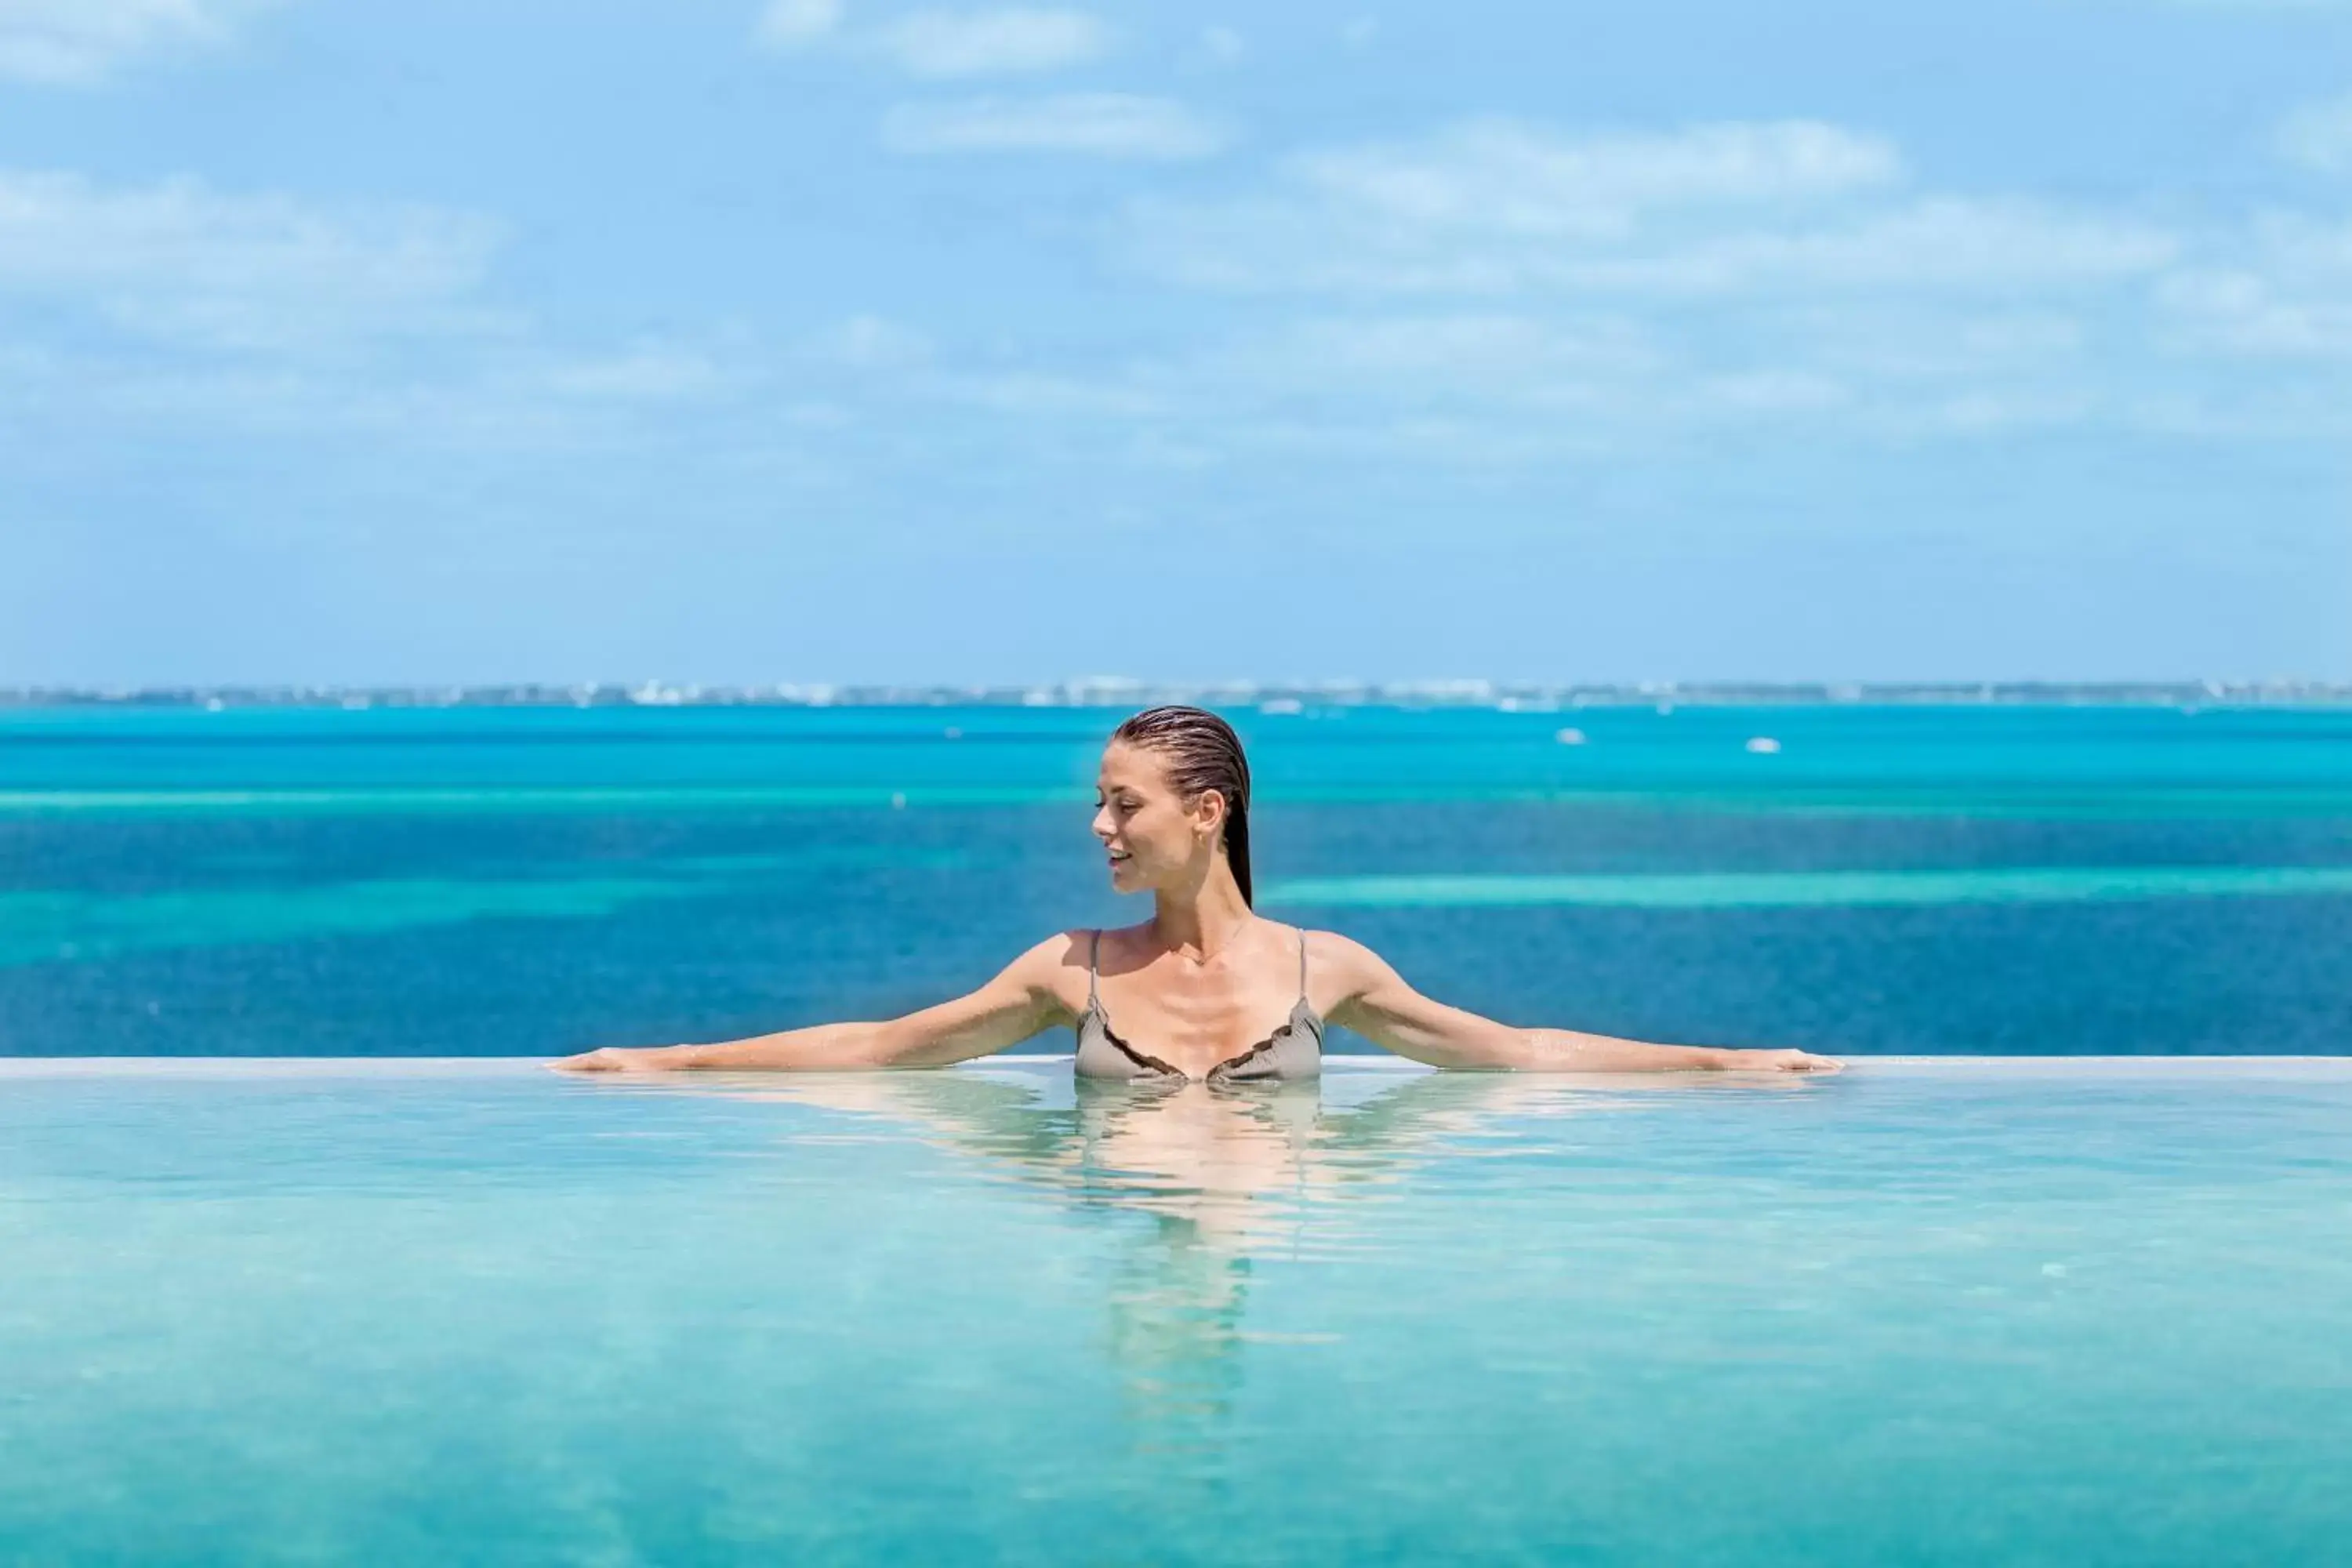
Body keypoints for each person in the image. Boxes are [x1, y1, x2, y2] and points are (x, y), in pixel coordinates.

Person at [550, 705, 1842, 1077]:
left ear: (1205, 813)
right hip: (1124, 1241)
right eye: (1099, 802)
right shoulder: (1073, 970)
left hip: (1285, 1280)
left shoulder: (1320, 968)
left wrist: (1720, 1066)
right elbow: (887, 1047)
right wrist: (674, 1062)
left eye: (1124, 803)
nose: (1098, 825)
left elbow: (1512, 1053)